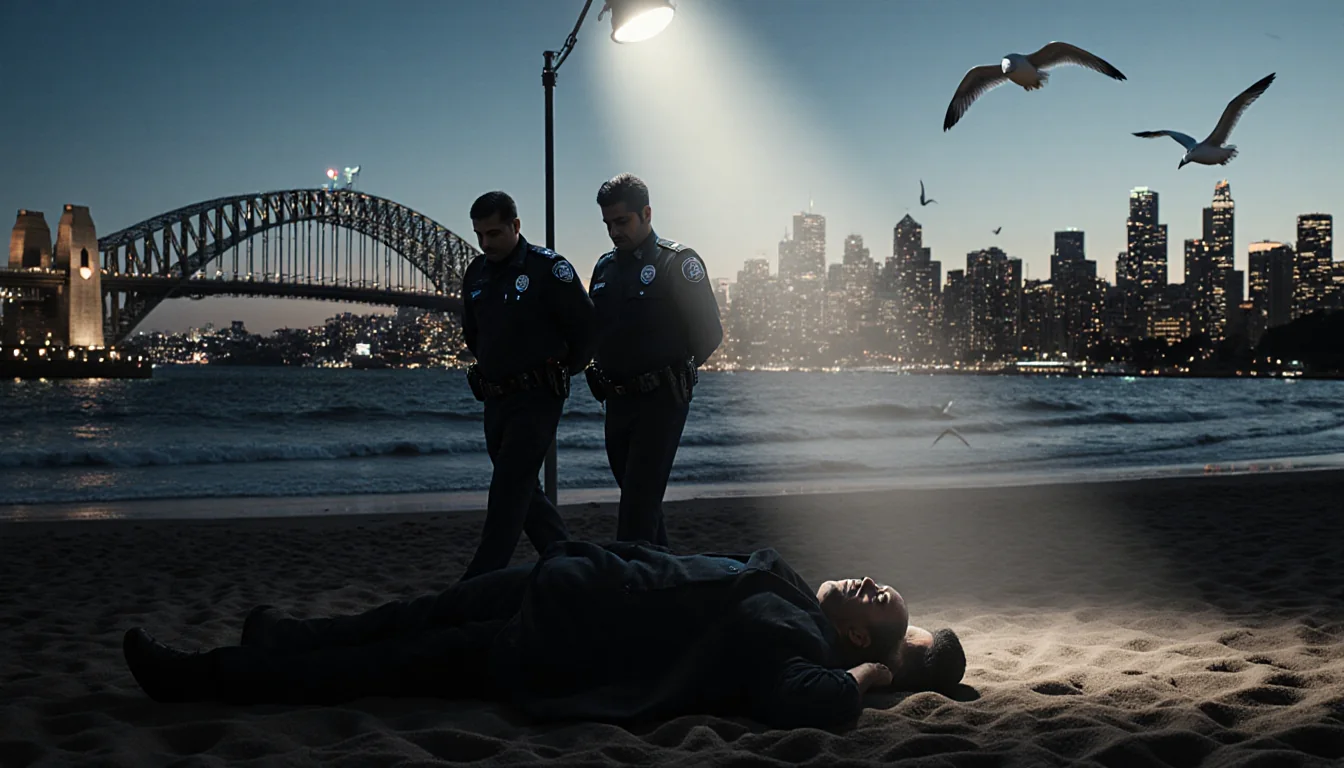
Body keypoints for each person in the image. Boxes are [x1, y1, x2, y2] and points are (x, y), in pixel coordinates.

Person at [122, 540, 966, 730]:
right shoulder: (792, 590)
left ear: (859, 636)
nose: (867, 581)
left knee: (383, 666)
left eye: (879, 600)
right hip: (568, 577)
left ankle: (202, 677)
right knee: (403, 616)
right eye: (880, 584)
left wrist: (880, 677)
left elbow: (819, 706)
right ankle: (282, 634)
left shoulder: (802, 646)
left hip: (554, 646)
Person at [458, 191, 595, 579]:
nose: (486, 243)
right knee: (525, 495)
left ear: (516, 226)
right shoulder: (475, 273)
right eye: (479, 235)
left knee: (506, 495)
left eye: (495, 233)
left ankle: (477, 584)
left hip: (536, 400)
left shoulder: (548, 269)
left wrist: (564, 370)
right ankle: (574, 568)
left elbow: (587, 328)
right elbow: (474, 334)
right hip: (495, 400)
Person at [585, 174, 723, 547]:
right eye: (608, 224)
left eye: (622, 221)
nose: (614, 232)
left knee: (635, 514)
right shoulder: (604, 268)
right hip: (617, 404)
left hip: (659, 403)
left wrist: (673, 370)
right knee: (641, 506)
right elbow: (595, 329)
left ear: (646, 213)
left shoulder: (676, 263)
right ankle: (668, 584)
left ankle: (632, 594)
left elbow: (709, 333)